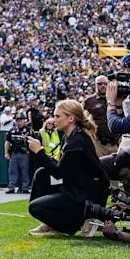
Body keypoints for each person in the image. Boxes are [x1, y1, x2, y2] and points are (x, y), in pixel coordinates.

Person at [26, 100, 109, 236]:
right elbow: (61, 167)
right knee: (42, 174)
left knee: (35, 207)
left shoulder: (77, 141)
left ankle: (71, 224)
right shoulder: (71, 137)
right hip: (76, 188)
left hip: (85, 195)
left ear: (71, 118)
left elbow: (59, 173)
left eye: (58, 116)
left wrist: (40, 151)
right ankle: (53, 223)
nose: (54, 120)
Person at [84, 75, 119, 156]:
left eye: (105, 83)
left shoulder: (116, 99)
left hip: (115, 143)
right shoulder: (88, 102)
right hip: (99, 143)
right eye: (100, 84)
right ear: (95, 85)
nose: (103, 86)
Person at [5, 112, 31, 194]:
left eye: (21, 120)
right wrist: (6, 152)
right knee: (12, 170)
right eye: (18, 120)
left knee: (25, 171)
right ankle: (11, 187)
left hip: (25, 153)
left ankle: (25, 187)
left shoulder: (28, 130)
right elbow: (7, 142)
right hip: (14, 152)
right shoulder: (12, 130)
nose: (19, 122)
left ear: (24, 121)